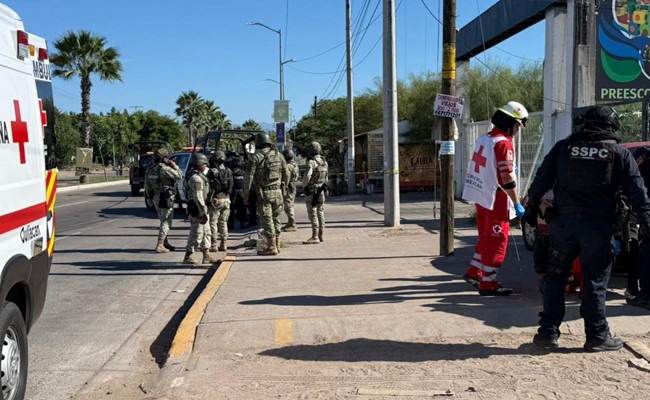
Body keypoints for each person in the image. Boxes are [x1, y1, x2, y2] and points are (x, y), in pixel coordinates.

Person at [524, 105, 650, 351]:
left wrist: (530, 213)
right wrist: (647, 222)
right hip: (597, 229)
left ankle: (547, 333)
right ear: (611, 126)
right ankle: (597, 336)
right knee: (595, 281)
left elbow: (540, 182)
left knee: (554, 278)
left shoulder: (563, 148)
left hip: (563, 226)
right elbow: (638, 194)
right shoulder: (619, 154)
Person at [461, 101, 529, 296]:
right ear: (510, 123)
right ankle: (488, 283)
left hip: (480, 195)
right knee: (498, 240)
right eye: (517, 125)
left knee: (486, 237)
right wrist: (516, 202)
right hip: (496, 198)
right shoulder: (503, 143)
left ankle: (475, 272)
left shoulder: (485, 138)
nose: (517, 130)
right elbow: (506, 177)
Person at [243, 132, 288, 255]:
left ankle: (271, 247)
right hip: (278, 192)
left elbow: (248, 178)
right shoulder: (279, 155)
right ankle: (277, 244)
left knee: (267, 220)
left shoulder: (255, 158)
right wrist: (284, 186)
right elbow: (286, 173)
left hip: (264, 194)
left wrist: (246, 195)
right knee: (276, 218)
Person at [183, 153, 219, 265]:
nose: (206, 166)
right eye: (204, 164)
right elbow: (198, 197)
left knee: (206, 232)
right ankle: (188, 256)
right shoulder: (196, 178)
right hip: (198, 209)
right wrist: (202, 213)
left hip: (202, 207)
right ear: (199, 164)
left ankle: (206, 256)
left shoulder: (198, 176)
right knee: (197, 233)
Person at [144, 148, 182, 253]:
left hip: (156, 197)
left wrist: (149, 197)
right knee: (166, 222)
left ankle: (165, 243)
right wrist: (174, 165)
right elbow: (179, 175)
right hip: (165, 197)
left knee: (162, 220)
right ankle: (160, 244)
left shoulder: (150, 169)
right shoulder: (164, 169)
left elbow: (147, 185)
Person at [627, 146, 650, 309]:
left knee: (646, 255)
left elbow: (637, 191)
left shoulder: (644, 169)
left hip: (646, 217)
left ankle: (645, 296)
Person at [302, 141, 329, 244]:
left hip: (312, 191)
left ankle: (315, 236)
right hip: (321, 190)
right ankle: (321, 235)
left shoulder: (311, 162)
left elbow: (307, 176)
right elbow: (326, 178)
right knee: (320, 212)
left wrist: (304, 186)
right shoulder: (324, 162)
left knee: (313, 213)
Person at [207, 150, 234, 252]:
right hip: (226, 200)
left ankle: (213, 244)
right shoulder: (229, 170)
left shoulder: (212, 171)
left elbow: (208, 186)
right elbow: (231, 185)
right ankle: (224, 243)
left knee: (213, 223)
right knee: (223, 222)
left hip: (216, 199)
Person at [281, 148, 299, 232]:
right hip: (292, 186)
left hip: (288, 187)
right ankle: (290, 223)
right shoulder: (295, 164)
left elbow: (286, 177)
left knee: (288, 206)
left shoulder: (288, 166)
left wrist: (284, 185)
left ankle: (292, 224)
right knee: (290, 205)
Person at [228, 156, 247, 230]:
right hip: (242, 192)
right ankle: (242, 224)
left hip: (233, 192)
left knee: (231, 209)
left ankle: (231, 224)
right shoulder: (244, 173)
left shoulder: (231, 172)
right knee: (242, 209)